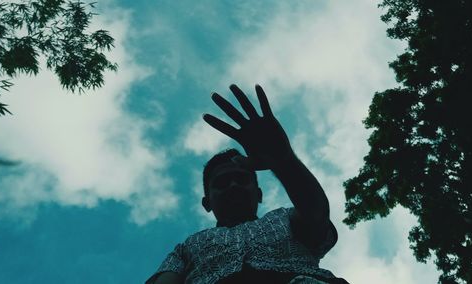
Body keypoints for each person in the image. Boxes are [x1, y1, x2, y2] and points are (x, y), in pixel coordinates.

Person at [146, 84, 348, 284]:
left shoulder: (285, 218)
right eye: (222, 183)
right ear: (207, 202)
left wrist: (284, 160)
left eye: (242, 179)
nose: (233, 185)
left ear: (259, 194)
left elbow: (316, 214)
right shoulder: (187, 247)